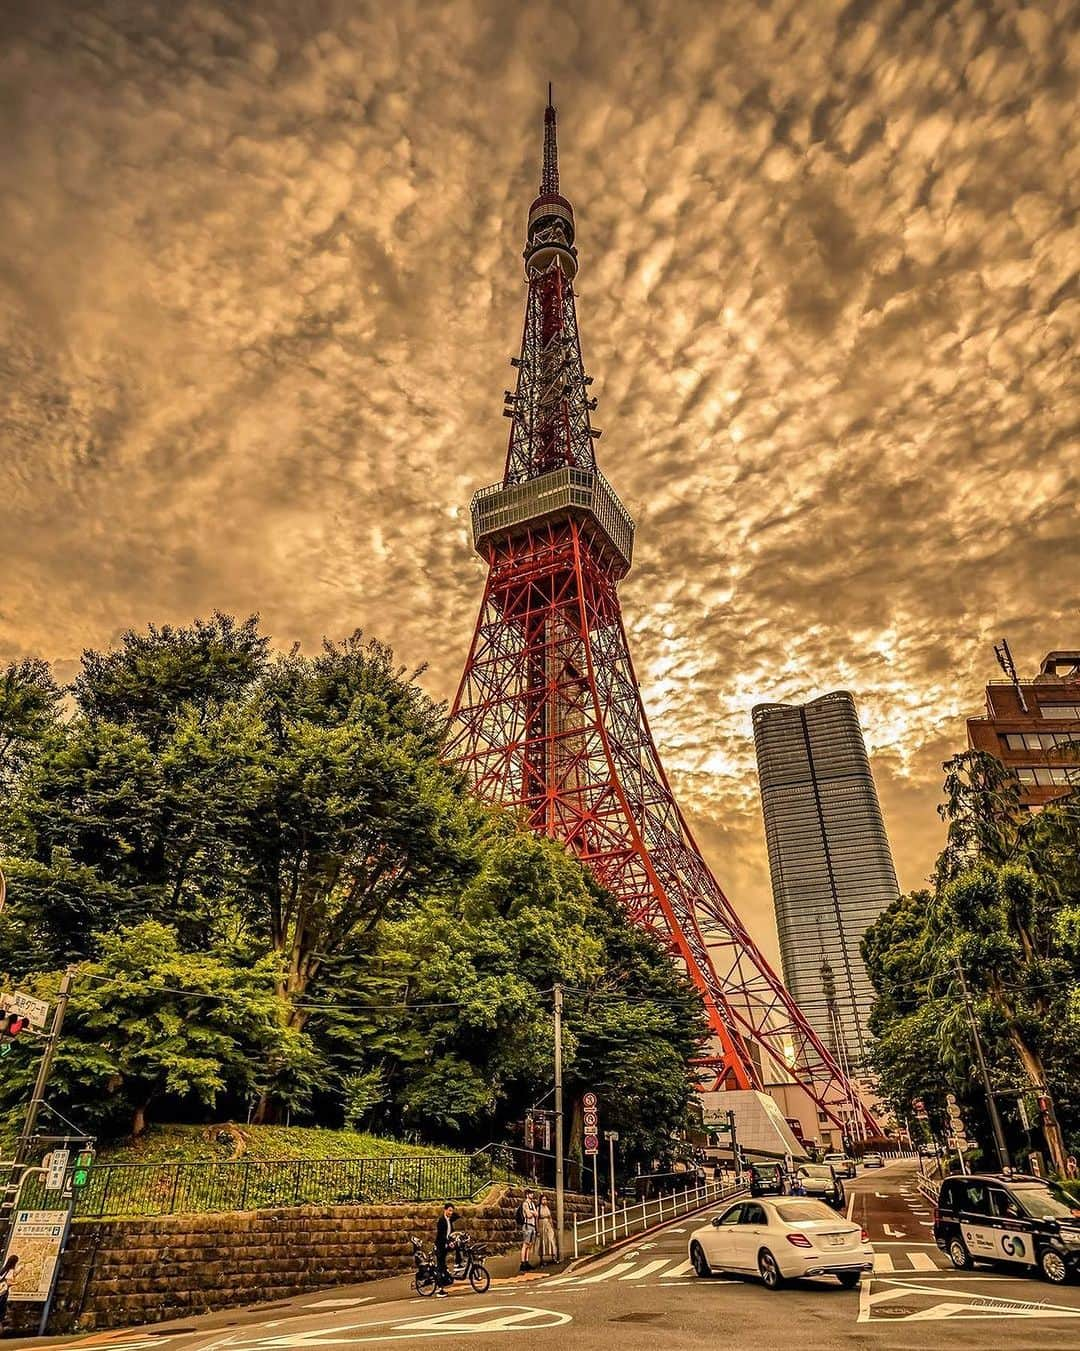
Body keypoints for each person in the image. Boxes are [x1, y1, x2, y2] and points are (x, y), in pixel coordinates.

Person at [434, 1202, 455, 1298]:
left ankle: (459, 1264)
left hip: (446, 1245)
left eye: (452, 1211)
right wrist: (448, 1241)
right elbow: (441, 1235)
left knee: (459, 1248)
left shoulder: (449, 1220)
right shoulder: (441, 1220)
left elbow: (451, 1232)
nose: (451, 1212)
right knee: (440, 1266)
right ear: (445, 1210)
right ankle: (440, 1289)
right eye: (449, 1210)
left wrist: (452, 1240)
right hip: (440, 1246)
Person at [518, 1189, 539, 1271]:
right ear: (527, 1195)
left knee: (530, 1245)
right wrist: (533, 1212)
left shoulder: (532, 1204)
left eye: (532, 1193)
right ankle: (523, 1263)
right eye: (530, 1194)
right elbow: (529, 1215)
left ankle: (527, 1261)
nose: (532, 1195)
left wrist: (532, 1212)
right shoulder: (525, 1204)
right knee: (525, 1244)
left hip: (533, 1225)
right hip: (527, 1225)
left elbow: (537, 1214)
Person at [537, 1193, 557, 1266]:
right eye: (543, 1199)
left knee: (551, 1239)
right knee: (542, 1242)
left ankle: (553, 1256)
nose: (545, 1201)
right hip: (541, 1225)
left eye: (545, 1199)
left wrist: (552, 1226)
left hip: (548, 1224)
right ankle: (541, 1260)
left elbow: (550, 1217)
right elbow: (537, 1219)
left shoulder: (547, 1208)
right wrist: (537, 1229)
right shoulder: (538, 1208)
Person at [0, 1255, 18, 1327]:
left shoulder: (3, 1269)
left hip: (1, 1291)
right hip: (3, 1292)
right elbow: (8, 1282)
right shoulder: (11, 1270)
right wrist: (16, 1283)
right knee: (1, 1309)